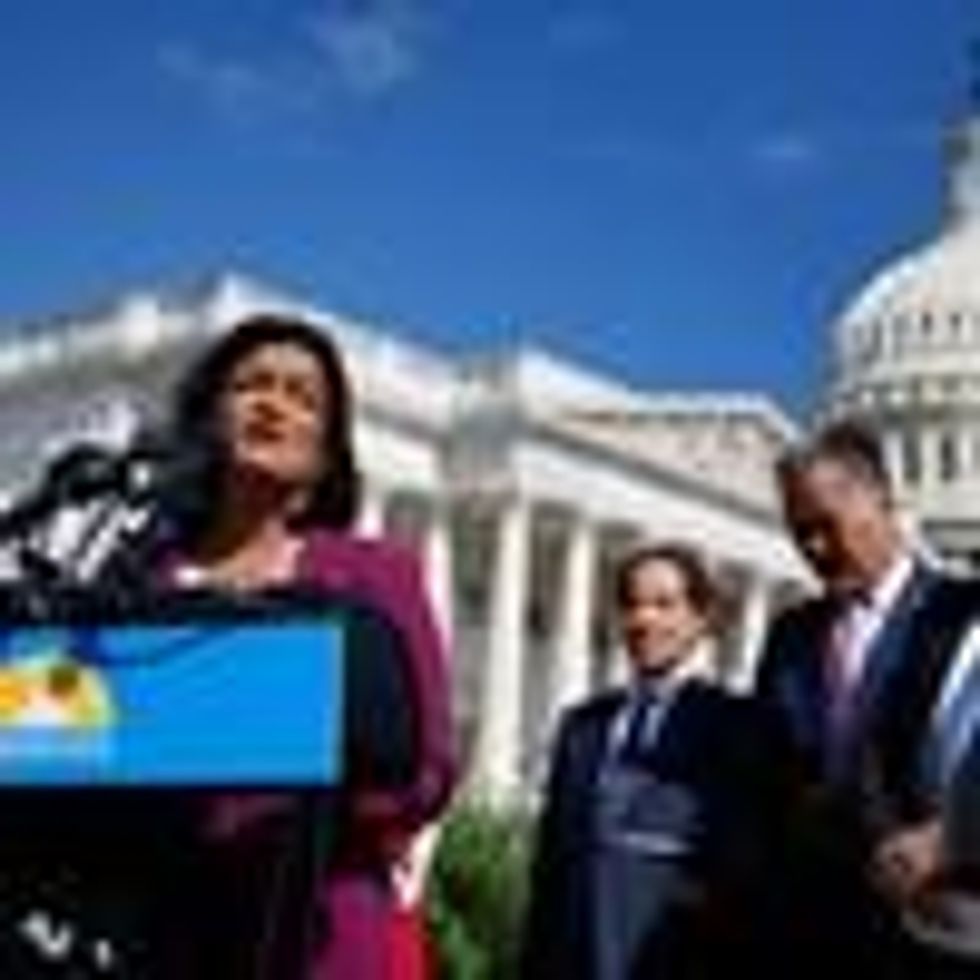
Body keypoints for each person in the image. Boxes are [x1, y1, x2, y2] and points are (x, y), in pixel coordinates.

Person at [143, 313, 457, 978]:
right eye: (251, 385)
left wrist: (300, 779)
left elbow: (428, 765)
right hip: (161, 923)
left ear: (323, 456)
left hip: (320, 927)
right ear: (210, 417)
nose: (273, 403)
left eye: (301, 395)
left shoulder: (375, 575)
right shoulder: (141, 579)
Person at [756, 419, 980, 979]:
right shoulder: (789, 636)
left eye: (826, 526)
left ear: (880, 499)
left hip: (937, 937)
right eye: (798, 530)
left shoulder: (963, 614)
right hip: (811, 940)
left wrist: (955, 834)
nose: (813, 548)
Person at [521, 542, 784, 980]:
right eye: (632, 605)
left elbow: (748, 883)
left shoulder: (740, 728)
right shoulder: (581, 727)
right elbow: (550, 875)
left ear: (700, 620)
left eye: (664, 605)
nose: (644, 621)